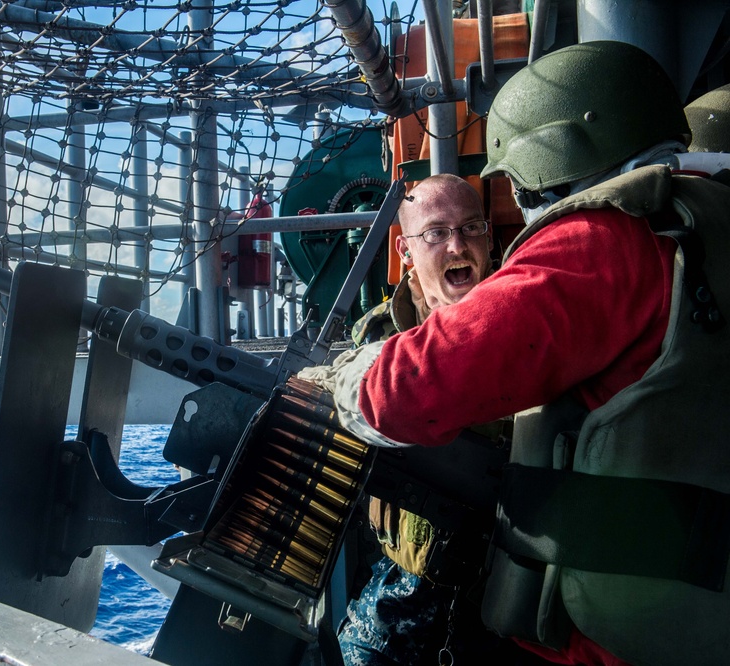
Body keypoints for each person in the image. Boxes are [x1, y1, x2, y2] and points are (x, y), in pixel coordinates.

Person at [302, 40, 730, 666]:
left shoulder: (604, 241)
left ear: (551, 156)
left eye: (474, 224)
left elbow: (403, 391)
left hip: (619, 637)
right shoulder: (705, 228)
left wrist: (342, 377)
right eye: (436, 234)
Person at [308, 174, 543, 666]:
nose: (457, 245)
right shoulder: (376, 331)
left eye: (471, 228)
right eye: (436, 233)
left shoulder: (529, 319)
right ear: (406, 248)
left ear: (489, 238)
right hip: (406, 589)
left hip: (514, 587)